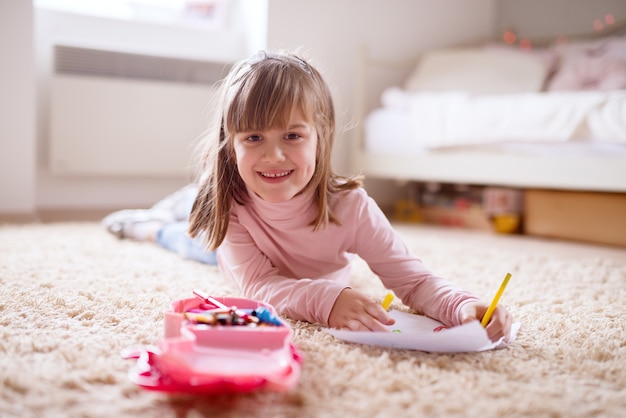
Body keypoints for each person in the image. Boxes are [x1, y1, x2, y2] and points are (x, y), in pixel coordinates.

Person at [104, 50, 512, 341]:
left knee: (194, 229)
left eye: (293, 136)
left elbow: (413, 280)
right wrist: (328, 299)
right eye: (254, 137)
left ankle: (177, 209)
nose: (274, 154)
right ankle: (149, 227)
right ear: (232, 145)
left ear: (321, 138)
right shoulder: (232, 208)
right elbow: (258, 288)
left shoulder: (353, 209)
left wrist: (461, 305)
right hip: (238, 252)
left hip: (269, 248)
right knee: (189, 242)